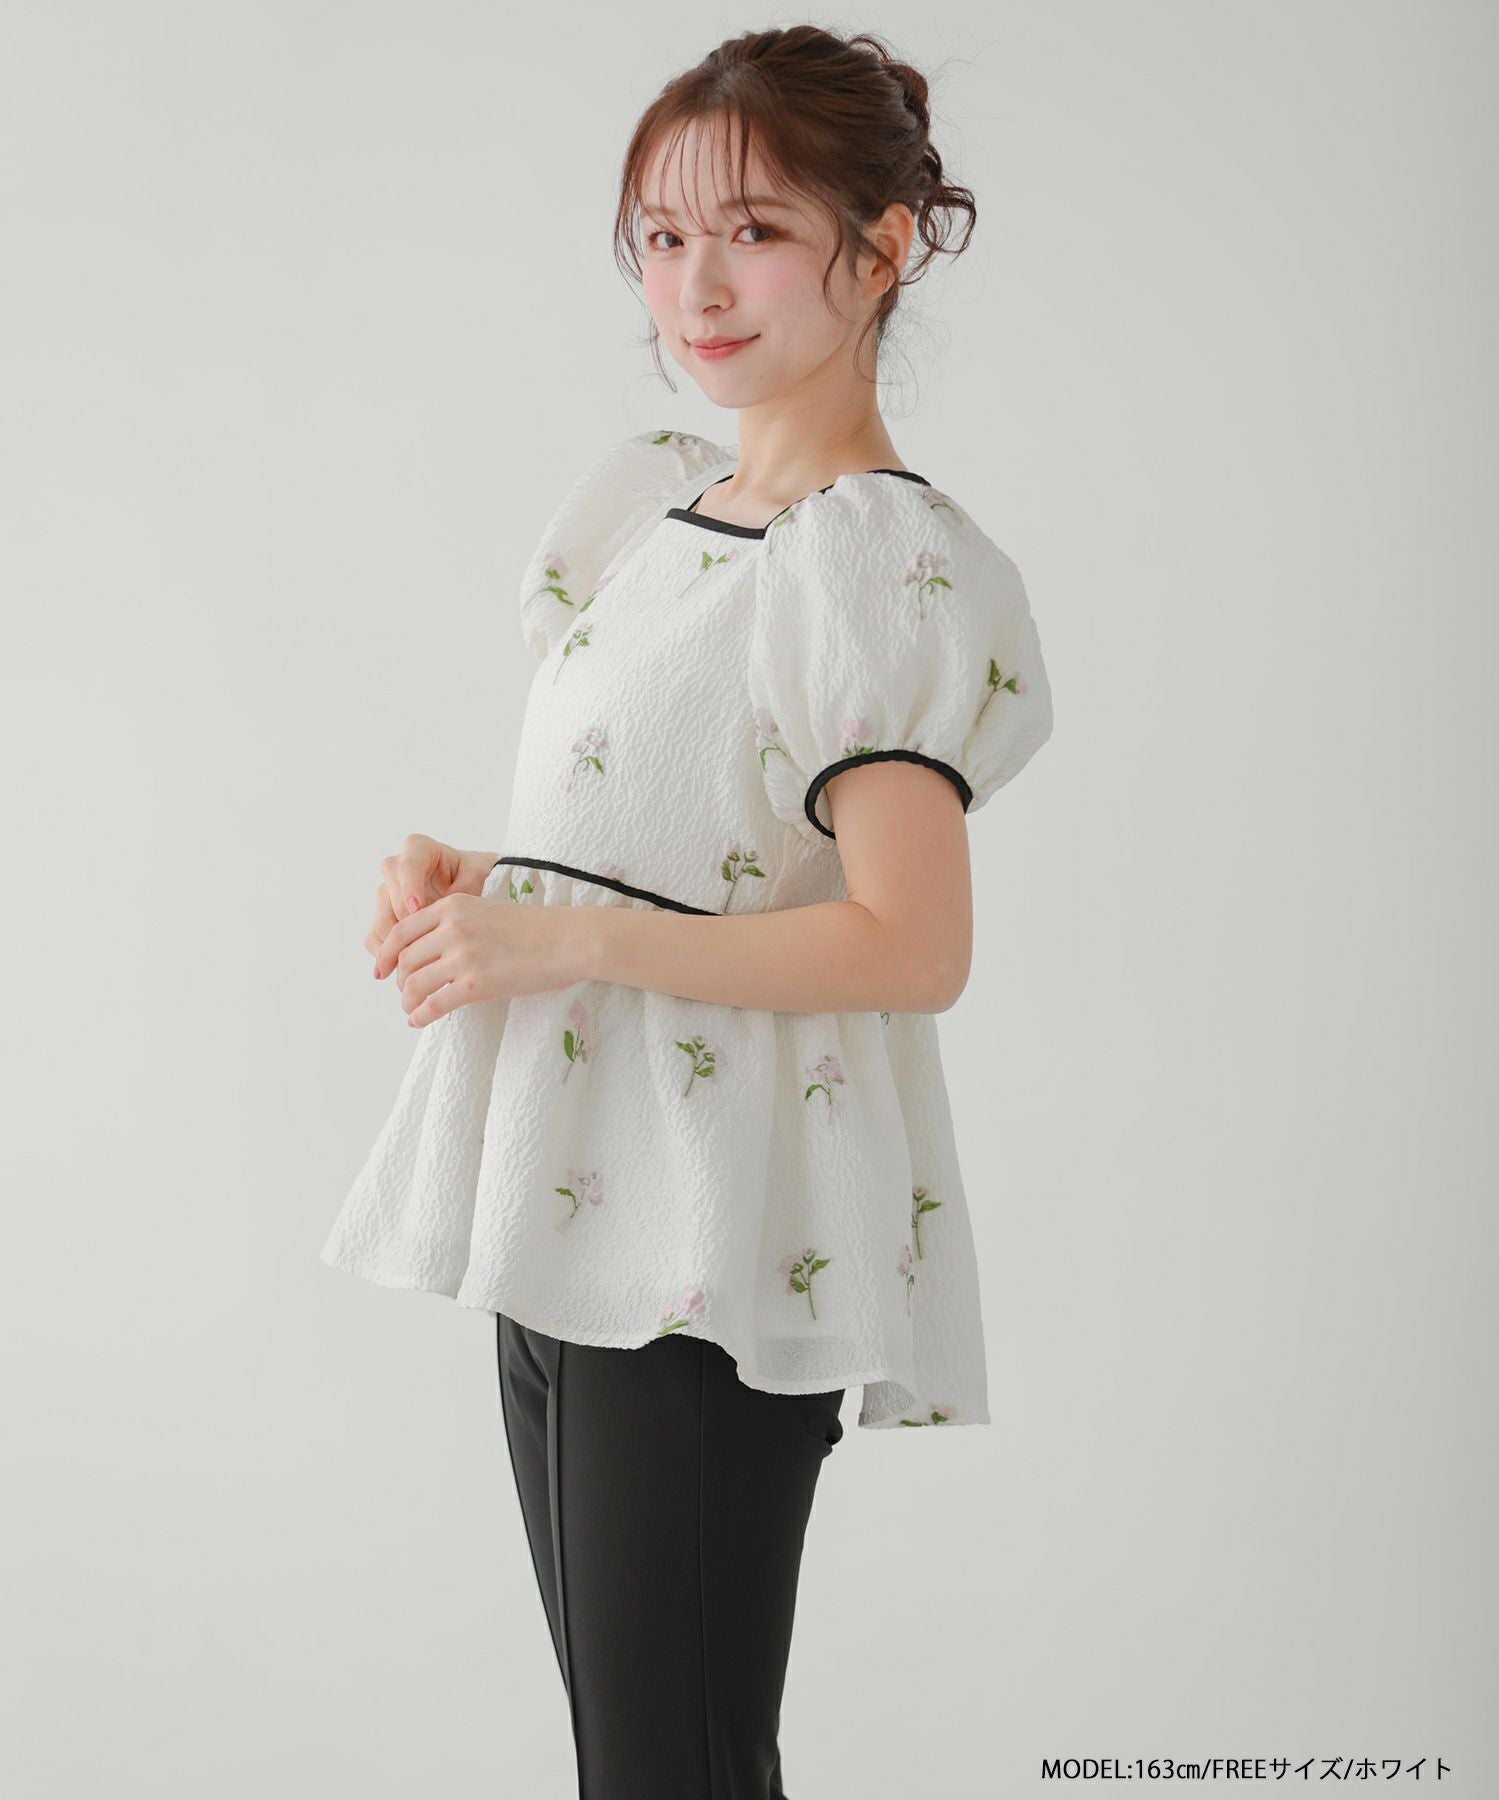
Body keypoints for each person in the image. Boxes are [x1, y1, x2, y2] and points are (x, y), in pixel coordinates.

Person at [321, 24, 1054, 1797]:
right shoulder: (662, 509)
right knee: (637, 1761)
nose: (695, 285)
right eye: (661, 236)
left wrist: (568, 939)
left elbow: (912, 943)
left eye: (754, 231)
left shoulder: (877, 559)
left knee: (673, 1768)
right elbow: (688, 836)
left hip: (714, 1231)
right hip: (575, 1196)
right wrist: (497, 882)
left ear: (882, 248)